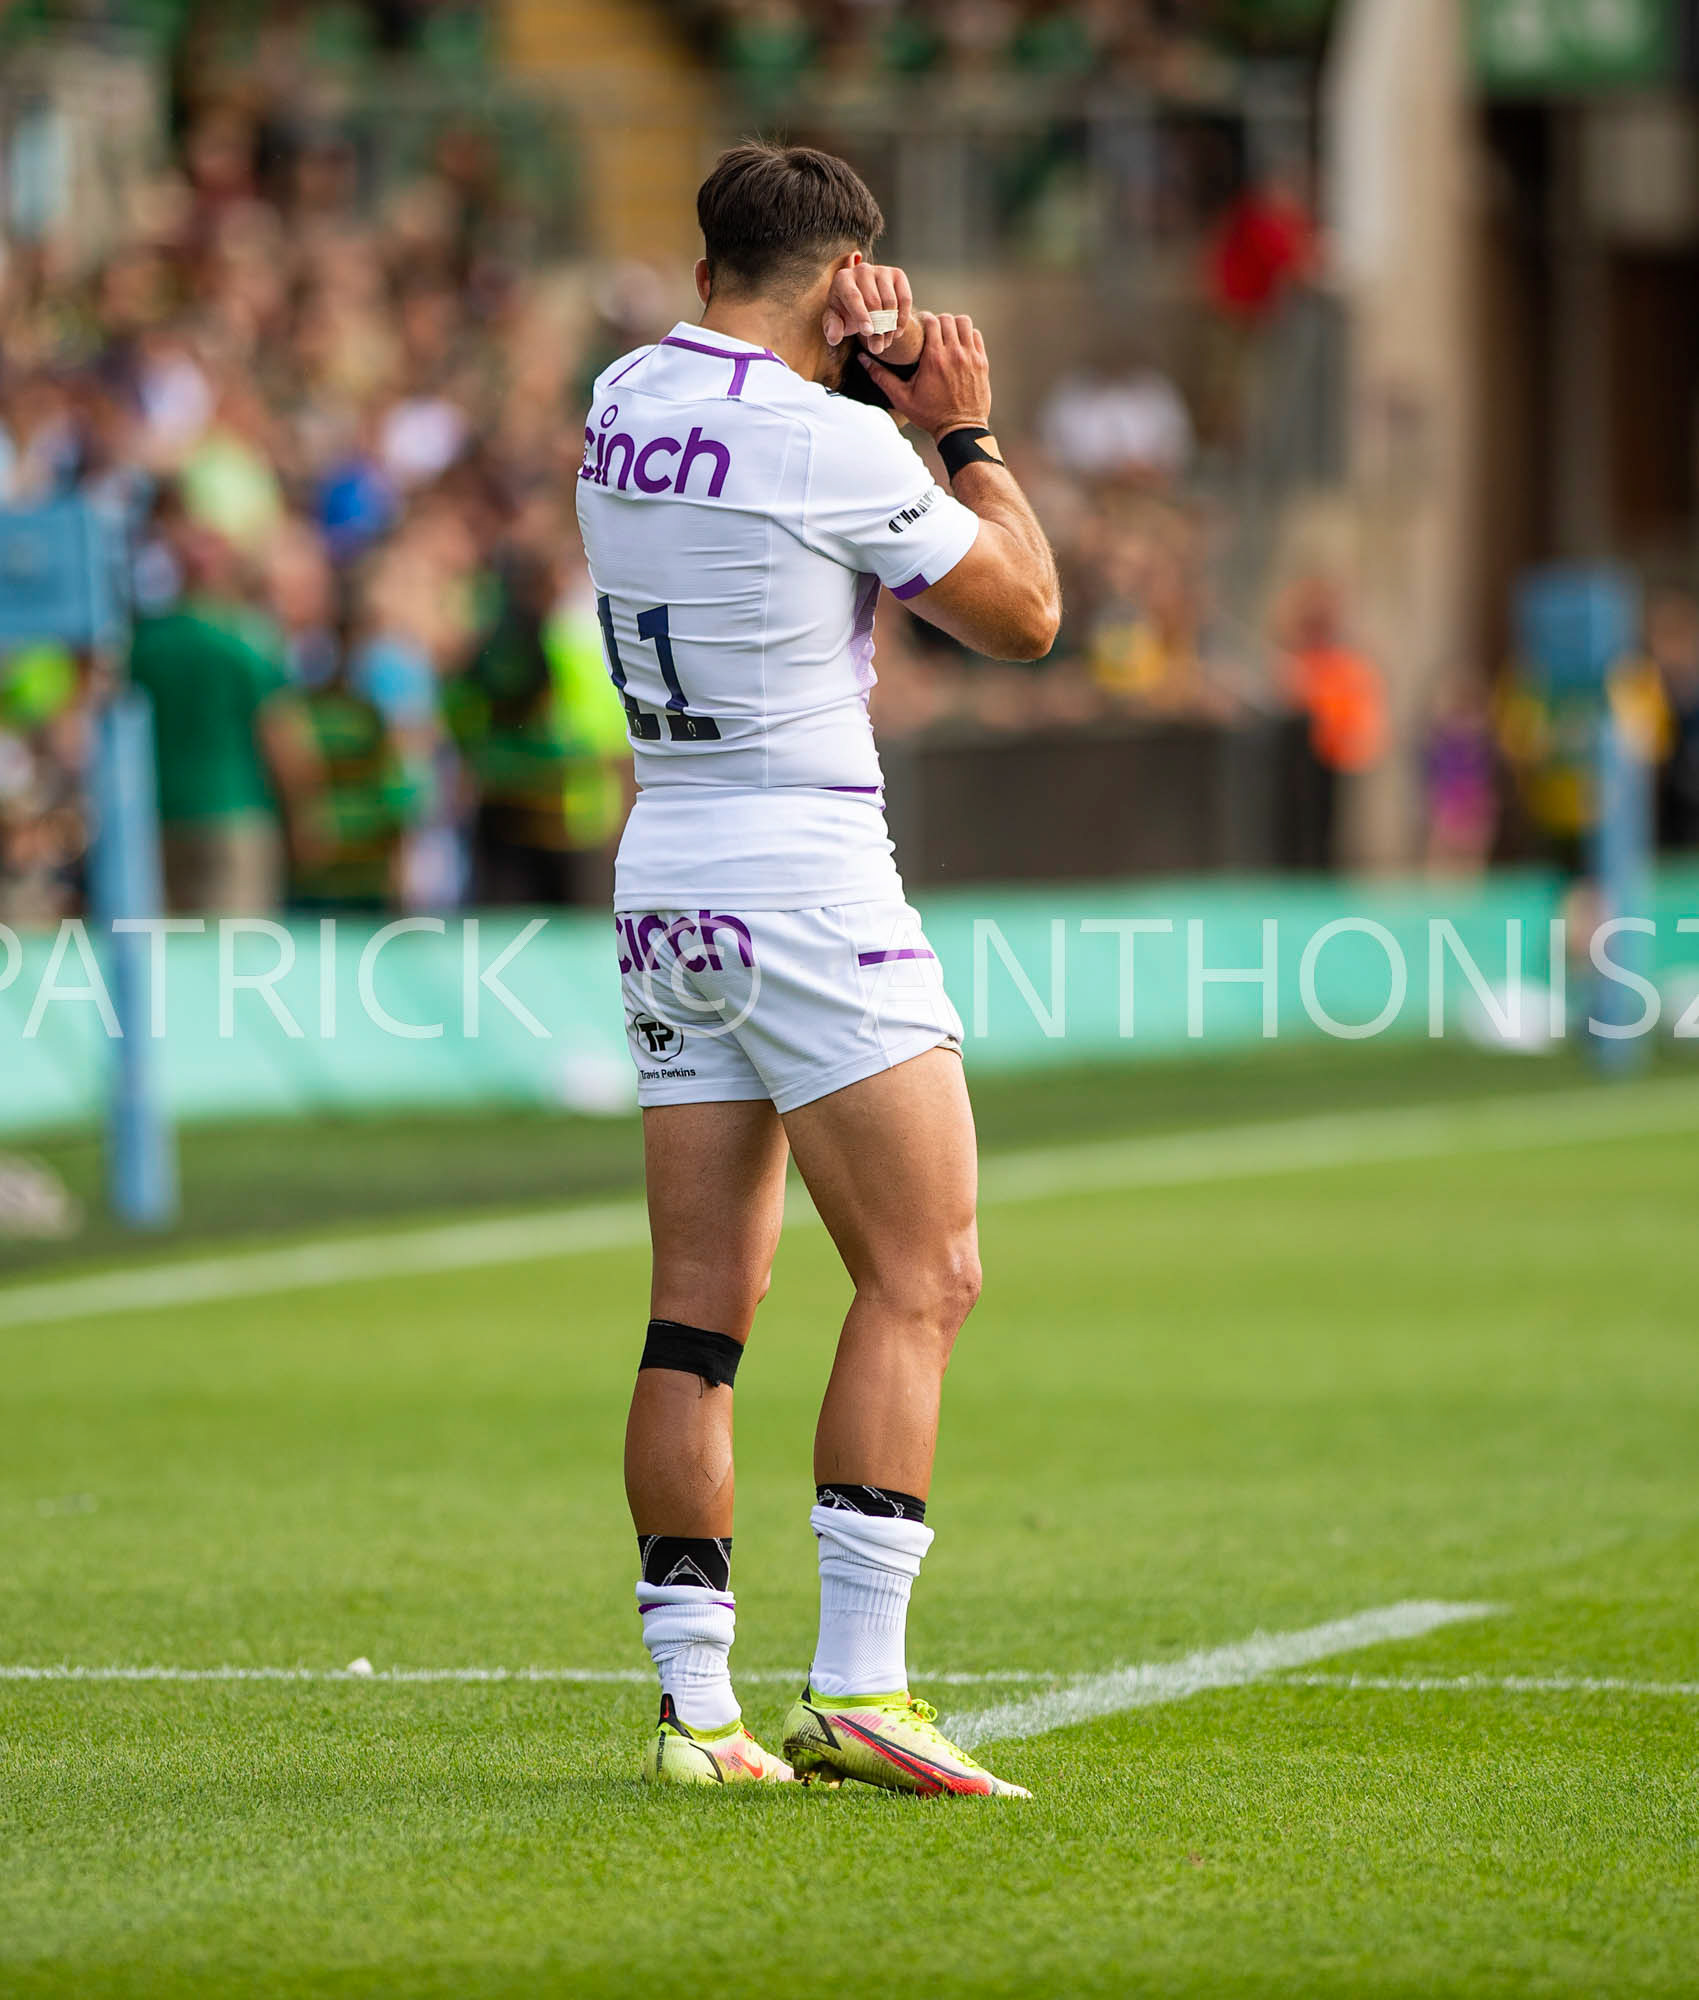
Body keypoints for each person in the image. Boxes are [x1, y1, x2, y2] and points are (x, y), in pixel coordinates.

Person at [577, 142, 1059, 1794]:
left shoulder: (620, 390)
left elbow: (732, 391)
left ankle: (695, 1709)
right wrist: (957, 428)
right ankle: (862, 1684)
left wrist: (838, 358)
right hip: (805, 873)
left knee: (699, 1312)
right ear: (862, 279)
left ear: (704, 261)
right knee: (925, 1274)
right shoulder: (836, 439)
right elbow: (1025, 614)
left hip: (668, 876)